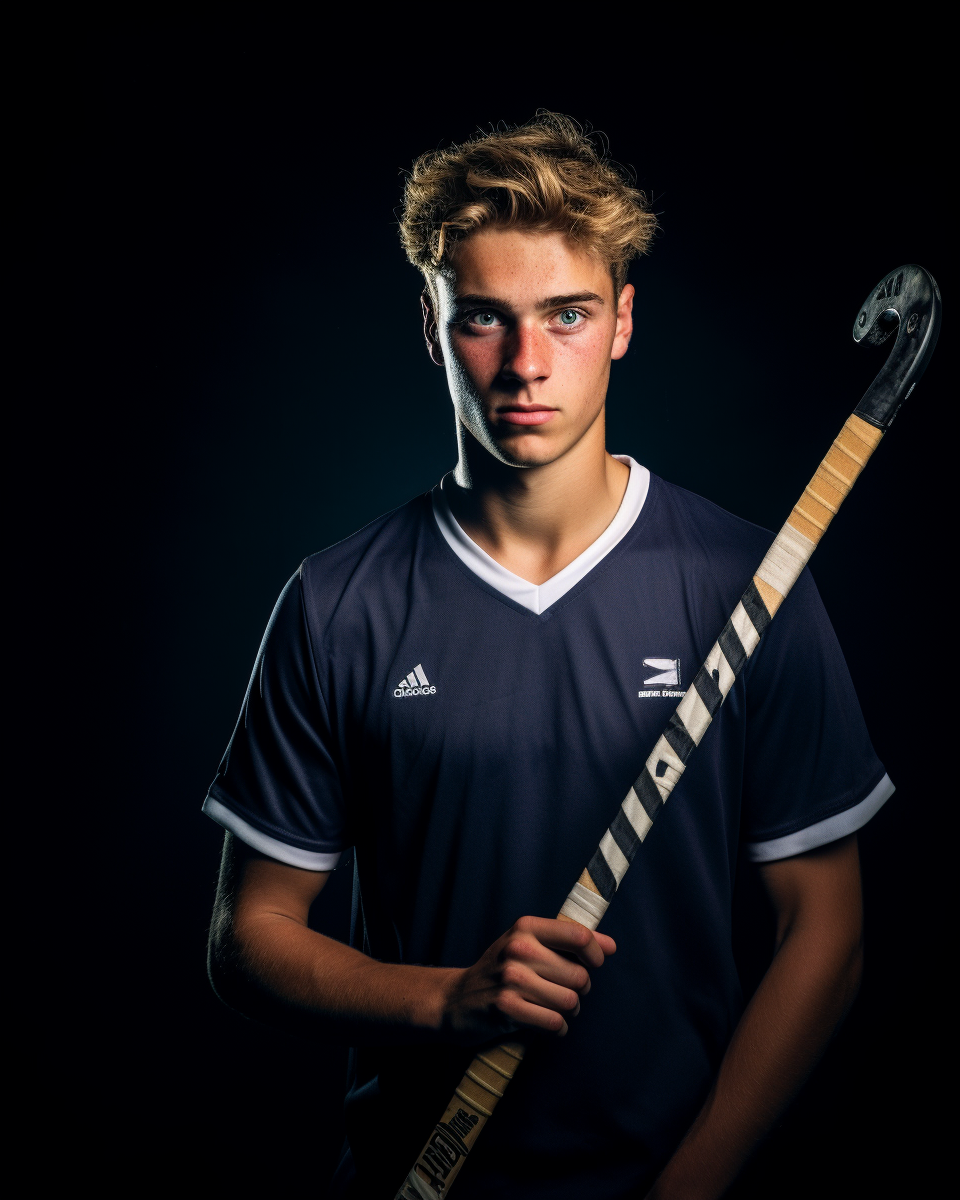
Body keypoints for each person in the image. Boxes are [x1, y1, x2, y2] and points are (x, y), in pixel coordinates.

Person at [204, 113, 892, 1199]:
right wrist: (443, 1001)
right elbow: (249, 938)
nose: (526, 365)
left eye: (566, 316)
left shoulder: (746, 585)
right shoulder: (338, 603)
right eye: (485, 319)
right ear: (433, 328)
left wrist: (691, 1187)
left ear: (622, 321)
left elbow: (827, 932)